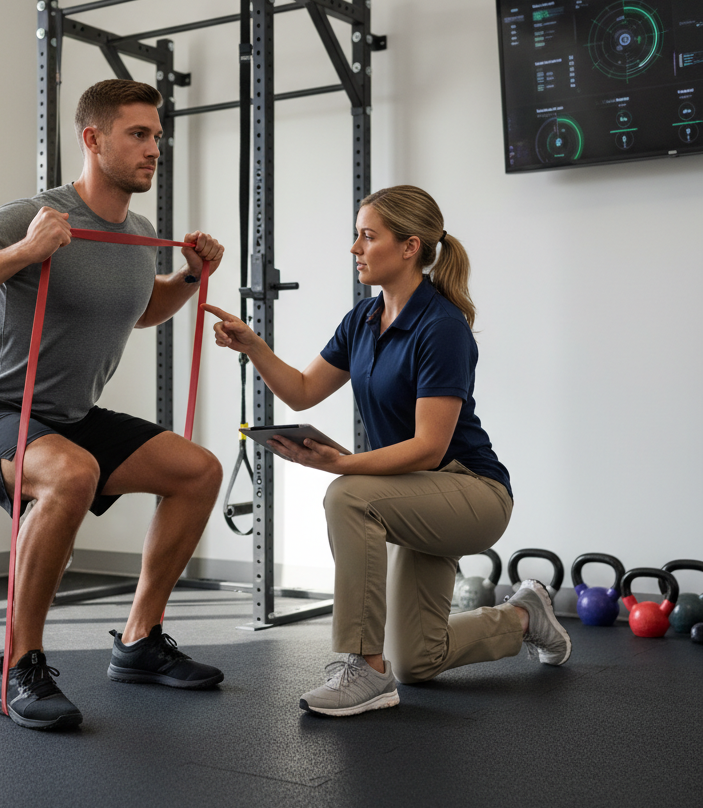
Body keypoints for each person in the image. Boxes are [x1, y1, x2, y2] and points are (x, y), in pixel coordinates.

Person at [0, 79, 226, 731]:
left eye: (157, 136)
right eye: (138, 134)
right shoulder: (33, 215)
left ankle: (139, 641)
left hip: (69, 418)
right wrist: (25, 250)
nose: (154, 149)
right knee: (73, 473)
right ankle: (18, 667)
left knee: (198, 471)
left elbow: (141, 309)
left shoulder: (139, 233)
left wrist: (190, 276)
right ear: (93, 139)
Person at [204, 184, 570, 718]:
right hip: (415, 494)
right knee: (420, 659)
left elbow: (428, 448)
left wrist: (341, 464)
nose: (355, 248)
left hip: (473, 491)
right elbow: (303, 390)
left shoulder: (441, 327)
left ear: (409, 247)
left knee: (347, 495)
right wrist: (254, 346)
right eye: (357, 236)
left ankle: (366, 668)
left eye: (368, 236)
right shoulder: (363, 320)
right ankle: (525, 617)